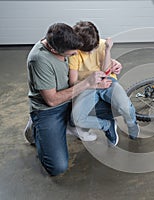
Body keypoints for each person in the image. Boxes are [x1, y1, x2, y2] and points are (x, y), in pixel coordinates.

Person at [24, 23, 117, 176]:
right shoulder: (39, 60)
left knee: (116, 107)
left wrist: (113, 63)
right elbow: (52, 100)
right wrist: (87, 83)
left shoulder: (64, 39)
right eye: (71, 55)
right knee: (57, 167)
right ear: (54, 51)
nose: (75, 56)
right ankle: (36, 127)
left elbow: (88, 55)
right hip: (49, 110)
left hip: (73, 97)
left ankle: (70, 122)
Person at [69, 21, 139, 145]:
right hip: (87, 85)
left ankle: (132, 124)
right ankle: (107, 125)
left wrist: (107, 50)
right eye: (87, 51)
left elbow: (106, 71)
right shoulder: (74, 53)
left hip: (106, 80)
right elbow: (73, 82)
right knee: (77, 118)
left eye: (93, 49)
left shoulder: (100, 44)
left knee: (125, 107)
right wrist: (93, 84)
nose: (91, 52)